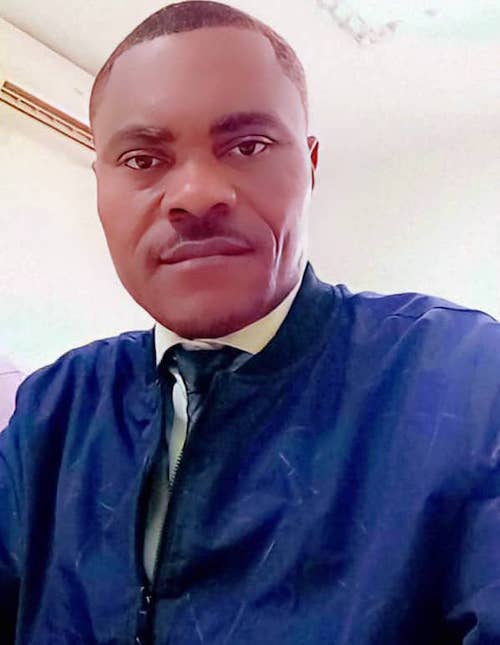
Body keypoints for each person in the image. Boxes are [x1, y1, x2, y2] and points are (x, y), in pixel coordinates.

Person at [1, 2, 499, 643]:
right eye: (143, 159)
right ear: (99, 186)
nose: (195, 195)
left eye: (247, 146)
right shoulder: (56, 408)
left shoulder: (463, 379)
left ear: (310, 167)